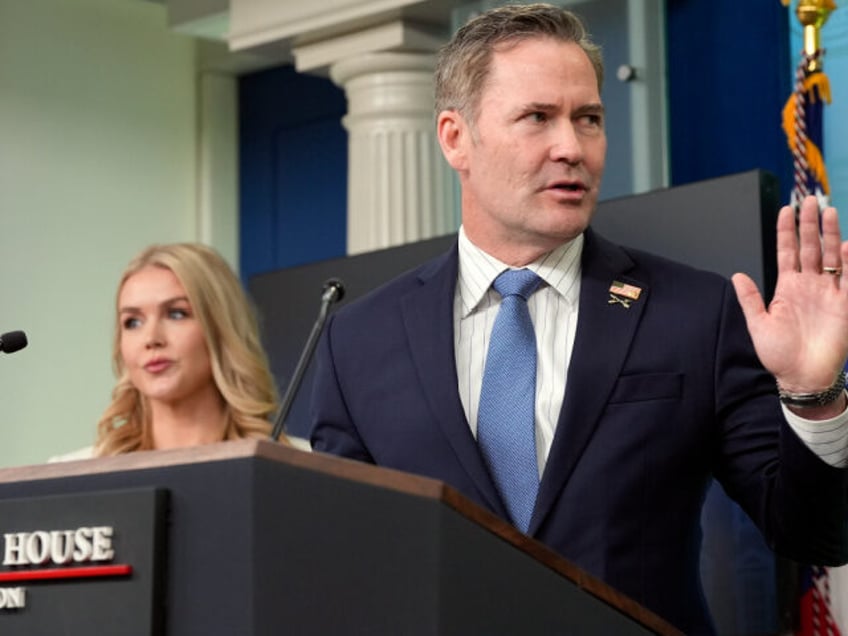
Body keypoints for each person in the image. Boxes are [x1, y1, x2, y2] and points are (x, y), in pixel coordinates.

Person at [309, 4, 848, 634]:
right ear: (456, 137)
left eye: (588, 119)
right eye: (537, 117)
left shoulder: (694, 314)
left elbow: (815, 535)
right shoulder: (358, 341)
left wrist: (814, 397)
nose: (572, 147)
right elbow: (339, 561)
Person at [92, 242, 281, 456]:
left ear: (221, 328)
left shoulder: (295, 464)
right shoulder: (73, 473)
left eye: (176, 314)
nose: (151, 339)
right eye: (133, 322)